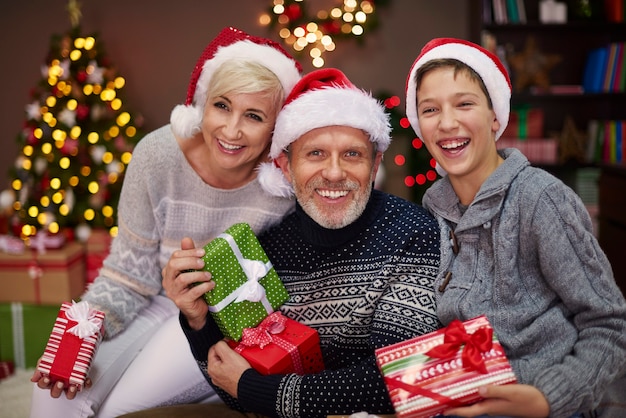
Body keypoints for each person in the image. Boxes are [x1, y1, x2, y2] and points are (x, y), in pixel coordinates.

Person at [123, 68, 442, 418]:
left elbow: (401, 378)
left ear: (375, 162)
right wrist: (199, 322)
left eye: (352, 154)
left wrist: (254, 389)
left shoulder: (412, 233)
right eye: (315, 154)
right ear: (285, 166)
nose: (335, 173)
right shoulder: (266, 247)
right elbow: (232, 386)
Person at [29, 26, 302, 418]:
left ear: (275, 127)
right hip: (150, 302)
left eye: (254, 116)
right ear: (201, 104)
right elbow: (127, 273)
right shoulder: (158, 155)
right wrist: (78, 339)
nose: (231, 130)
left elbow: (273, 298)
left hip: (215, 320)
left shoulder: (283, 184)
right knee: (56, 394)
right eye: (221, 106)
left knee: (119, 410)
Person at [404, 37, 626, 417]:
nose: (447, 122)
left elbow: (610, 326)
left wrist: (547, 399)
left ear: (495, 116)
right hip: (464, 400)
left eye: (464, 103)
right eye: (430, 109)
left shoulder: (541, 199)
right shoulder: (433, 207)